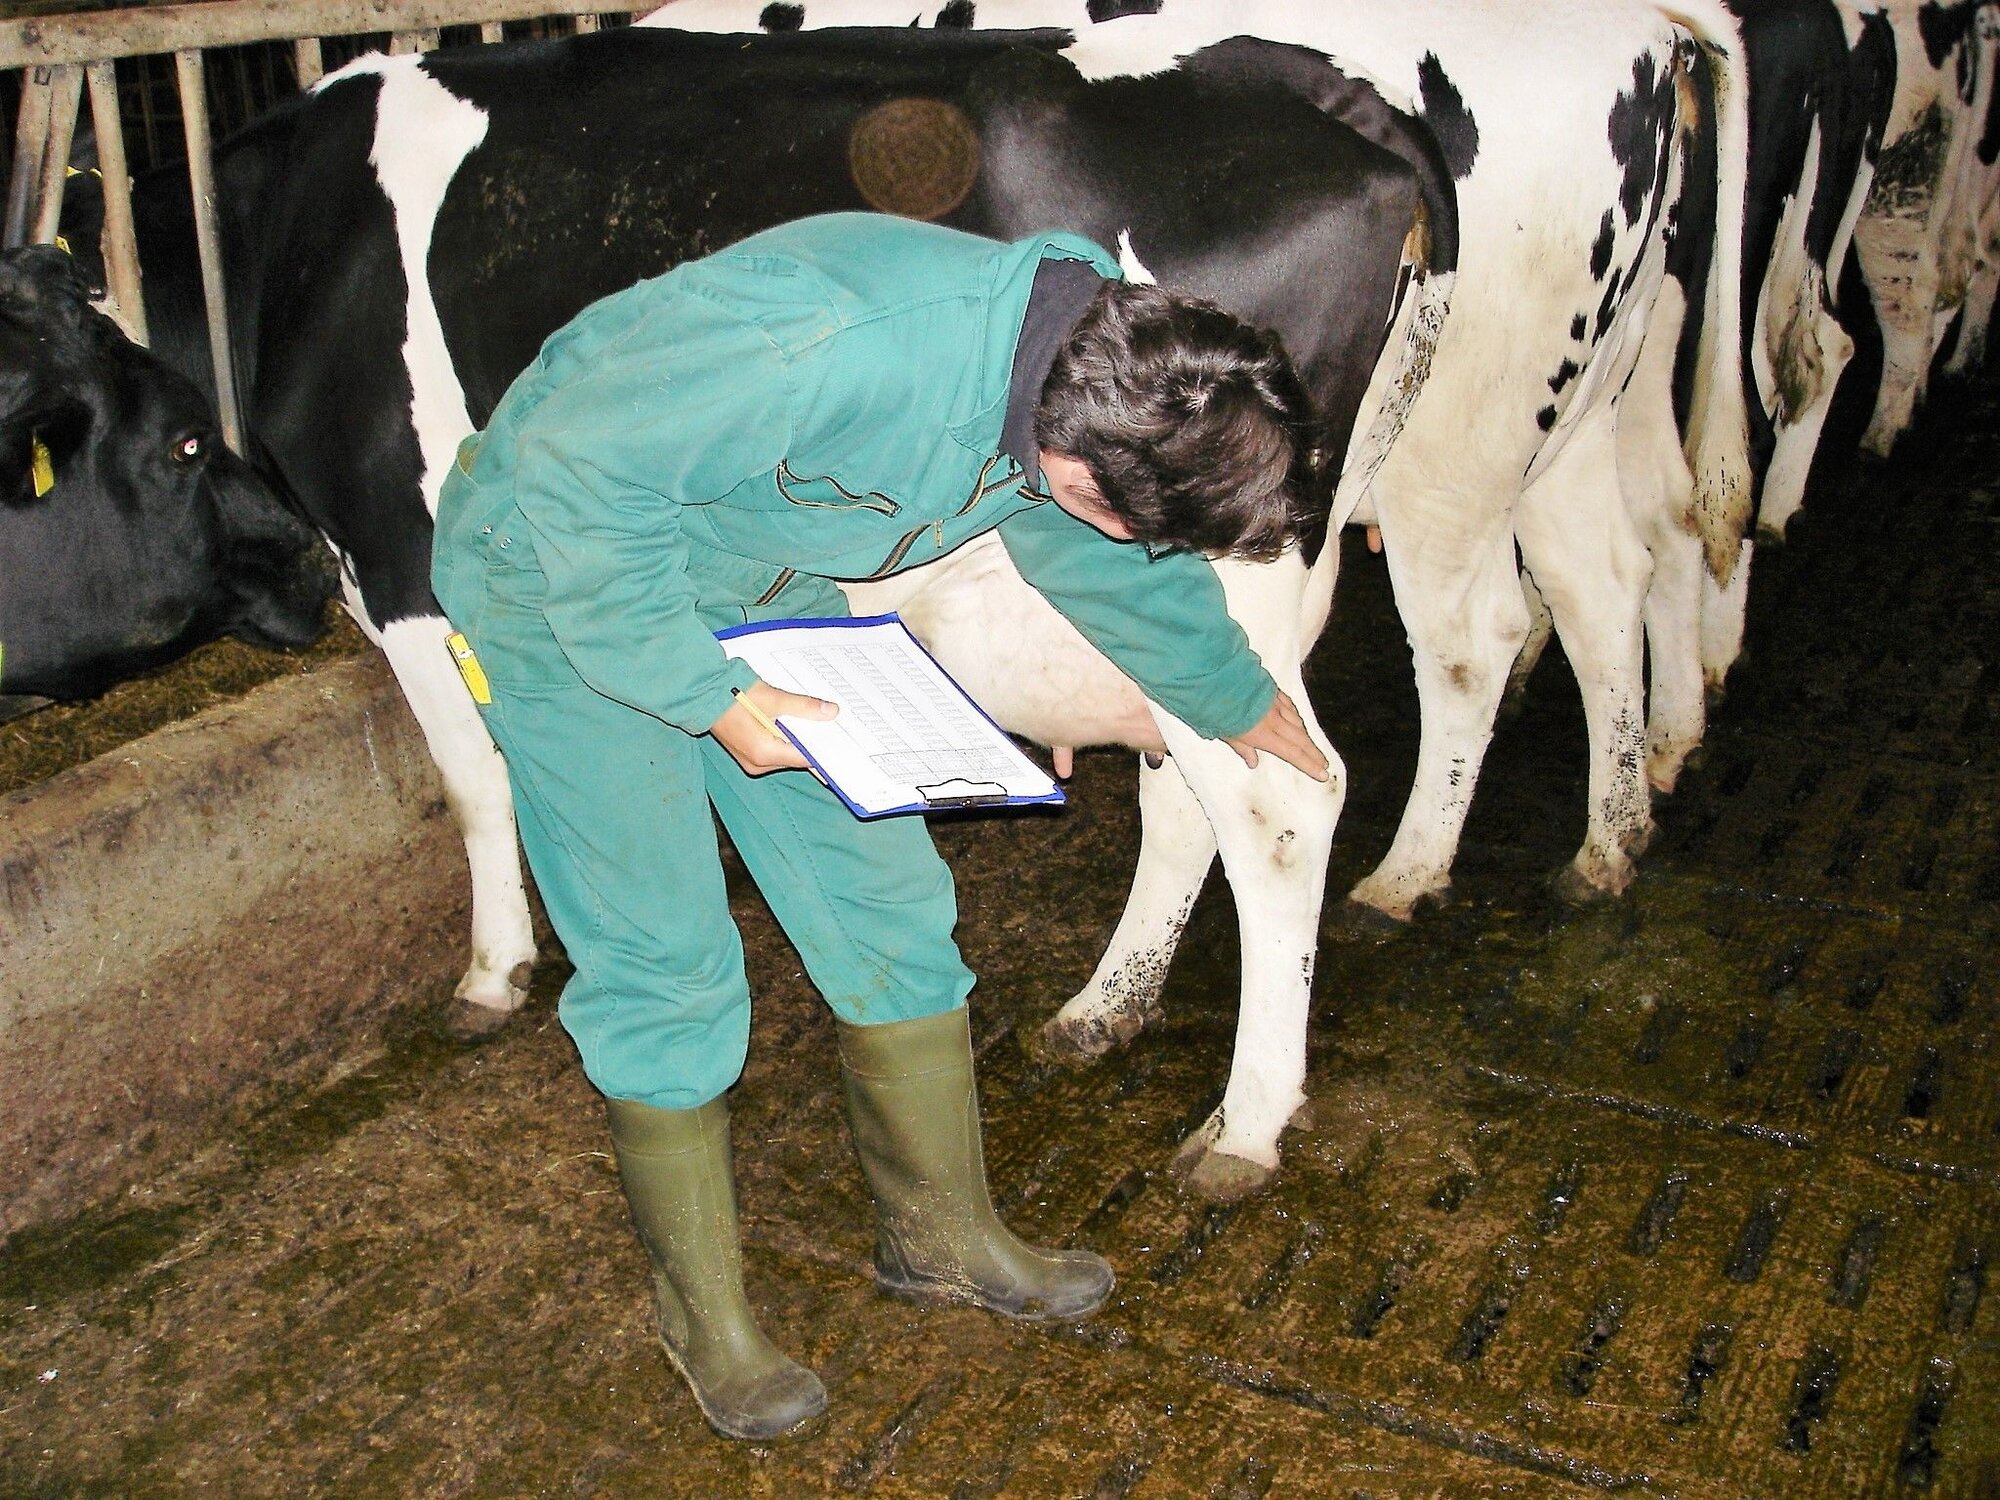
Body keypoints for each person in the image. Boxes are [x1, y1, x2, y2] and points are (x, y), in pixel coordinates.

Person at [431, 212, 1330, 1441]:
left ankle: (941, 1238)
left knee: (889, 905)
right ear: (1075, 466)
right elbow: (578, 478)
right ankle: (705, 1324)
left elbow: (1108, 556)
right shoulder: (834, 342)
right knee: (666, 957)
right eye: (1125, 514)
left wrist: (1232, 698)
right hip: (553, 576)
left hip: (747, 584)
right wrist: (709, 699)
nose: (1116, 534)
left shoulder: (1085, 374)